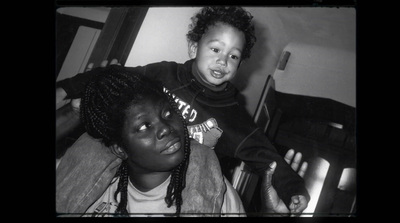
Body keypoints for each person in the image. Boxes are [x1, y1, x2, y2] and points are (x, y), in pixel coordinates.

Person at [56, 6, 310, 214]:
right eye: (215, 49)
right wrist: (67, 89)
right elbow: (115, 78)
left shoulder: (235, 118)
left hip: (187, 180)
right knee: (98, 140)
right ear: (193, 47)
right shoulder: (162, 74)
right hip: (137, 167)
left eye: (234, 56)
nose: (223, 61)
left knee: (200, 156)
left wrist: (292, 189)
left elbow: (266, 156)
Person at [56, 66, 246, 217]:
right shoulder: (89, 187)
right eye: (144, 127)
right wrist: (74, 109)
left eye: (168, 113)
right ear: (120, 149)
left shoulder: (214, 193)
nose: (165, 128)